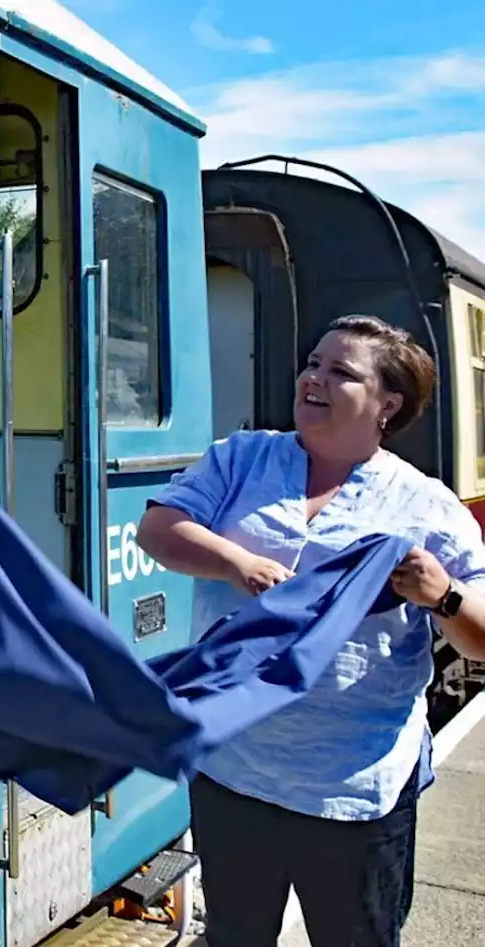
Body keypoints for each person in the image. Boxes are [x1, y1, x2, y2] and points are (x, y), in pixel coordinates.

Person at [136, 314, 485, 947]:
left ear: (388, 405)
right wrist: (237, 564)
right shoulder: (241, 458)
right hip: (233, 769)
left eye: (341, 372)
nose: (313, 379)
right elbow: (158, 532)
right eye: (313, 363)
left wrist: (444, 595)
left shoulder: (427, 506)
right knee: (237, 938)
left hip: (352, 791)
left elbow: (482, 635)